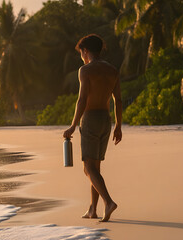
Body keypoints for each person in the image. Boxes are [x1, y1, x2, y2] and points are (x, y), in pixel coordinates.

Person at [63, 34, 122, 222]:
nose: (81, 56)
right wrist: (119, 126)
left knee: (88, 168)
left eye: (81, 52)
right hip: (106, 119)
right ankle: (93, 209)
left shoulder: (85, 70)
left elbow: (82, 100)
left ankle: (108, 202)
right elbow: (118, 100)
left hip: (90, 119)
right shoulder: (112, 70)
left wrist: (73, 125)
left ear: (85, 51)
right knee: (95, 166)